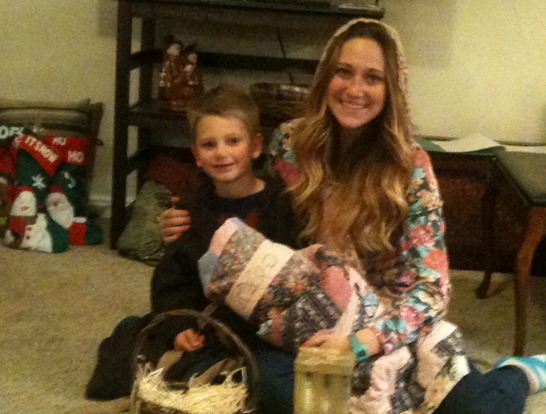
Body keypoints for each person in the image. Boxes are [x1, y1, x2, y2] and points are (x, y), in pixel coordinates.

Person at [159, 18, 546, 414]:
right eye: (343, 72)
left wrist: (362, 342)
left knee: (479, 408)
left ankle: (516, 373)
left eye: (373, 78)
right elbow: (244, 189)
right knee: (271, 391)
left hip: (388, 324)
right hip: (310, 316)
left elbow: (433, 289)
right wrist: (187, 212)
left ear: (391, 88)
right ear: (325, 77)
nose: (355, 89)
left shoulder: (410, 166)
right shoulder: (290, 143)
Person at [86, 84, 299, 412]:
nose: (222, 153)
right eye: (209, 144)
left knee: (281, 393)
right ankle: (139, 331)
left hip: (263, 334)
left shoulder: (283, 205)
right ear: (197, 155)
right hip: (208, 329)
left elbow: (297, 274)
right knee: (122, 374)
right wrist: (177, 329)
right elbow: (172, 281)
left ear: (256, 146)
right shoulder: (190, 210)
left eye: (233, 141)